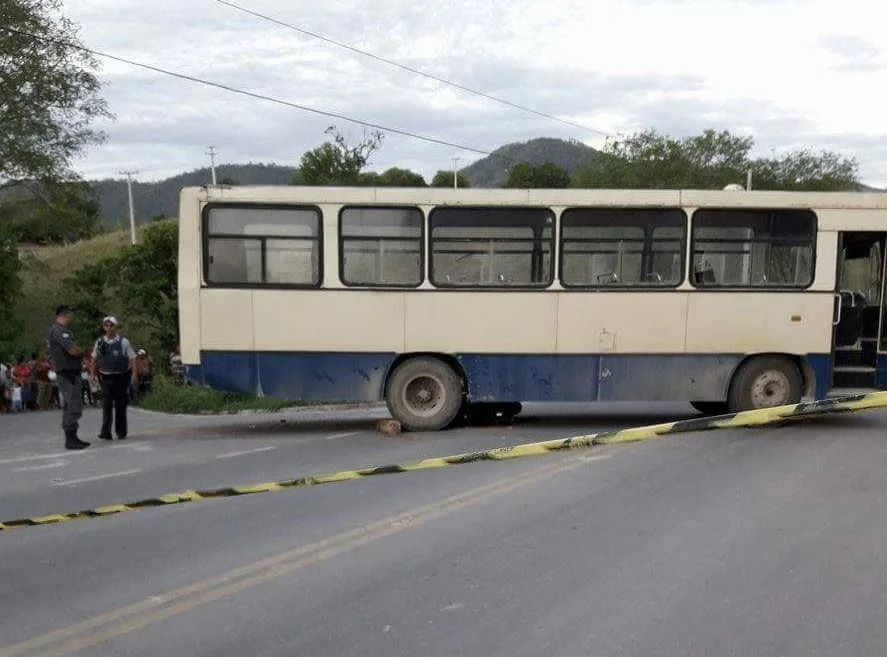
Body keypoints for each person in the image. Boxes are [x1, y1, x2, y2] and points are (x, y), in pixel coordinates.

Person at [45, 305, 90, 449]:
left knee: (69, 406)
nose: (72, 317)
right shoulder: (59, 332)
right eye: (70, 315)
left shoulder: (62, 331)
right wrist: (83, 351)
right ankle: (70, 438)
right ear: (65, 315)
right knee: (74, 405)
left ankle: (72, 437)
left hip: (72, 372)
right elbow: (72, 350)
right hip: (67, 374)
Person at [90, 316, 137, 441]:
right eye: (107, 325)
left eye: (111, 325)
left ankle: (121, 431)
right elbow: (94, 358)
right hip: (105, 376)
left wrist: (134, 374)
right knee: (106, 405)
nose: (109, 327)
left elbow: (132, 358)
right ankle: (106, 432)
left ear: (115, 327)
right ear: (104, 327)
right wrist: (92, 373)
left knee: (120, 405)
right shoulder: (100, 342)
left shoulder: (123, 342)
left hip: (121, 377)